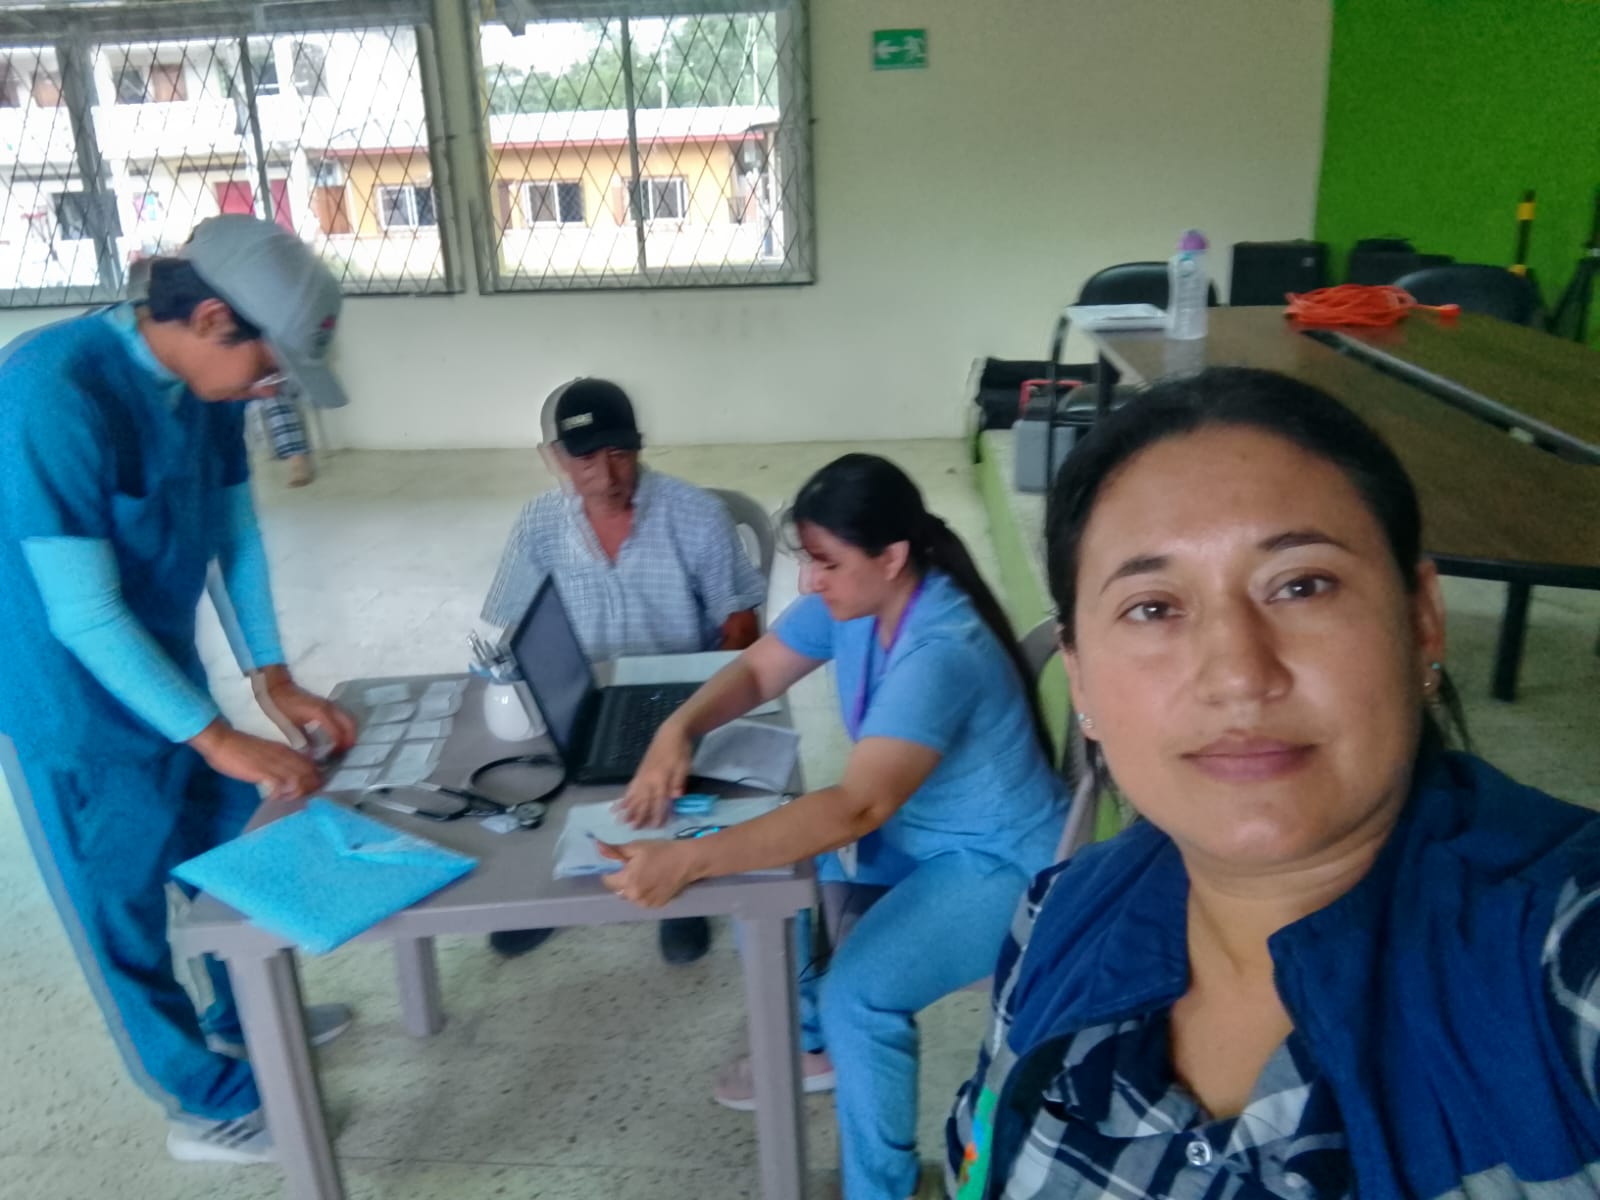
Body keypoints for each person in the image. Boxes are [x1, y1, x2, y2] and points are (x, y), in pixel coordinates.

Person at [947, 366, 1600, 1198]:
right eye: (1153, 607)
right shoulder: (1058, 916)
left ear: (1421, 620)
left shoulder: (1561, 964)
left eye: (1302, 585)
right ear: (1081, 680)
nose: (1238, 675)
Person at [602, 453, 1068, 1200]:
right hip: (919, 836)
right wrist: (677, 729)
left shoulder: (940, 647)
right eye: (807, 561)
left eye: (824, 563)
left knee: (861, 993)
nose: (809, 582)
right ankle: (811, 1046)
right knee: (772, 862)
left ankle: (881, 1187)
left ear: (892, 557)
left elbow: (856, 807)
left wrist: (687, 861)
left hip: (999, 864)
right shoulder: (857, 598)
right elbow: (758, 671)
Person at [0, 214, 359, 1166]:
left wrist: (272, 680)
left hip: (162, 675)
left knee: (226, 842)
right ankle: (199, 1101)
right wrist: (216, 735)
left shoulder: (207, 391)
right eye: (269, 364)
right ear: (209, 318)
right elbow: (82, 615)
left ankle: (249, 1015)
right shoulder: (50, 393)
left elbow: (232, 534)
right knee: (119, 906)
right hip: (67, 705)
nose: (272, 387)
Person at [481, 377, 768, 963]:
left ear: (640, 446)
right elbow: (509, 626)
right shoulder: (539, 523)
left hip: (681, 695)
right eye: (586, 458)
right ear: (556, 458)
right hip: (582, 691)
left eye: (619, 454)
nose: (606, 476)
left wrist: (706, 709)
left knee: (673, 781)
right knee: (549, 771)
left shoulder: (696, 515)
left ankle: (680, 888)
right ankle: (550, 896)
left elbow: (740, 627)